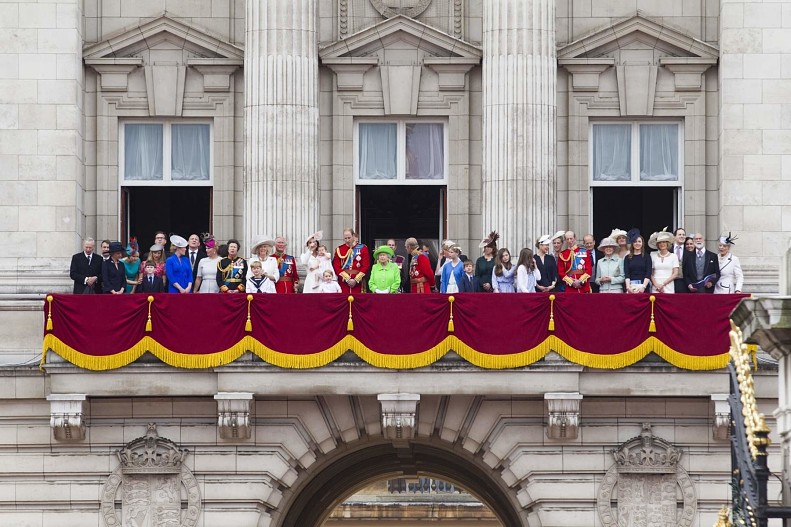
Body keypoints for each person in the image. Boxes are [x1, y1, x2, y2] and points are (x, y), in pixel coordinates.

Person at [333, 228, 370, 294]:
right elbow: (336, 267)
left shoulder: (363, 248)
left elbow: (366, 266)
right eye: (345, 238)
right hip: (344, 282)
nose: (347, 240)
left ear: (353, 236)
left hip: (358, 282)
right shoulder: (339, 249)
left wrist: (356, 280)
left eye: (349, 238)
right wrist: (347, 279)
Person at [648, 229, 679, 294]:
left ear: (668, 243)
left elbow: (675, 274)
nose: (662, 244)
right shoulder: (653, 255)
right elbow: (651, 273)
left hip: (668, 286)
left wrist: (663, 284)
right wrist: (656, 285)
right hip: (656, 287)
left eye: (664, 242)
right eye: (660, 242)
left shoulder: (673, 256)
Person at [672, 228, 688, 293]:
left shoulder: (689, 252)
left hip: (684, 283)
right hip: (670, 282)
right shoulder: (669, 249)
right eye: (679, 234)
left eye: (683, 235)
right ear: (674, 237)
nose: (682, 236)